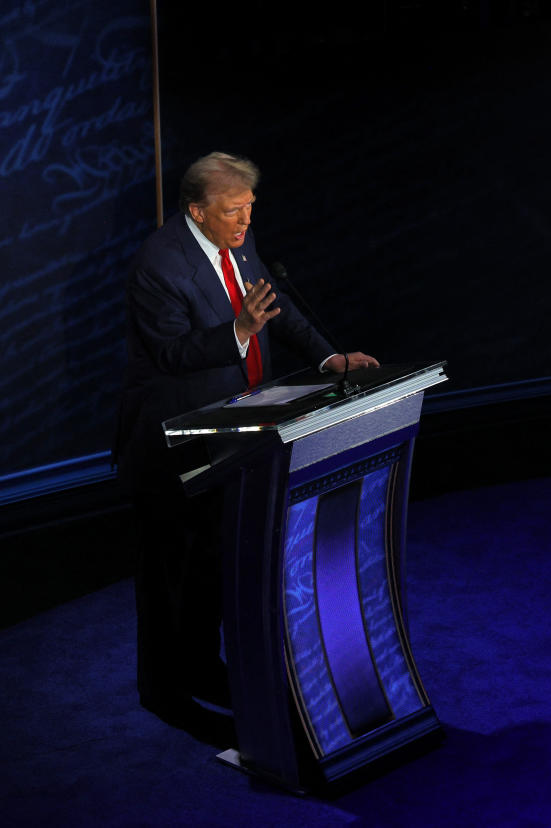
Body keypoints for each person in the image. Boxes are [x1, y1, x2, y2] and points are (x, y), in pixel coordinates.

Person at [115, 152, 378, 742]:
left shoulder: (238, 242)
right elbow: (172, 355)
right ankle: (162, 691)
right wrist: (238, 333)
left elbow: (270, 307)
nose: (245, 223)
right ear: (197, 212)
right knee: (168, 573)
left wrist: (329, 358)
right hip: (169, 443)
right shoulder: (159, 265)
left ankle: (203, 667)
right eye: (234, 212)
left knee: (211, 558)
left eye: (250, 210)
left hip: (230, 432)